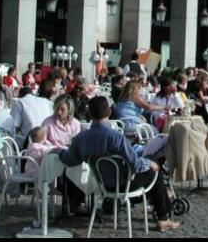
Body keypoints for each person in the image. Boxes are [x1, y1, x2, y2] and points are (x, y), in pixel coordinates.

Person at [51, 96, 180, 232]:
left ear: (89, 114)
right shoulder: (116, 137)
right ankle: (163, 218)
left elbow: (70, 160)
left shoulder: (81, 138)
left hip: (102, 185)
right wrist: (149, 163)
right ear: (109, 113)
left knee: (151, 169)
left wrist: (58, 150)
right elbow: (135, 164)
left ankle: (161, 212)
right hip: (124, 184)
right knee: (155, 171)